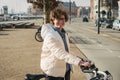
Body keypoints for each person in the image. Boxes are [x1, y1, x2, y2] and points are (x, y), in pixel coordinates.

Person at [40, 8, 91, 80]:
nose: (61, 21)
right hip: (53, 72)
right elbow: (59, 52)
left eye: (63, 19)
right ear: (53, 20)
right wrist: (79, 62)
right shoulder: (50, 35)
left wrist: (78, 58)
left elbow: (65, 51)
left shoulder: (63, 33)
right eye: (58, 19)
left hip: (65, 70)